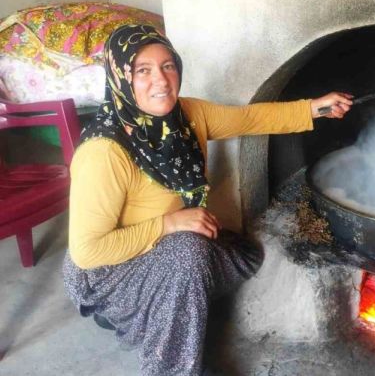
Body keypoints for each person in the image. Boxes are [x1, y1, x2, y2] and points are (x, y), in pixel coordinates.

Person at [62, 24, 352, 375]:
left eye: (168, 65)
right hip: (109, 274)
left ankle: (161, 305)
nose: (161, 80)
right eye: (143, 70)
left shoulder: (187, 116)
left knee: (242, 255)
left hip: (167, 248)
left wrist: (315, 108)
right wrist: (169, 223)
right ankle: (167, 362)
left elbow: (249, 118)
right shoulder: (104, 152)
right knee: (190, 252)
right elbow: (88, 251)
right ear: (120, 78)